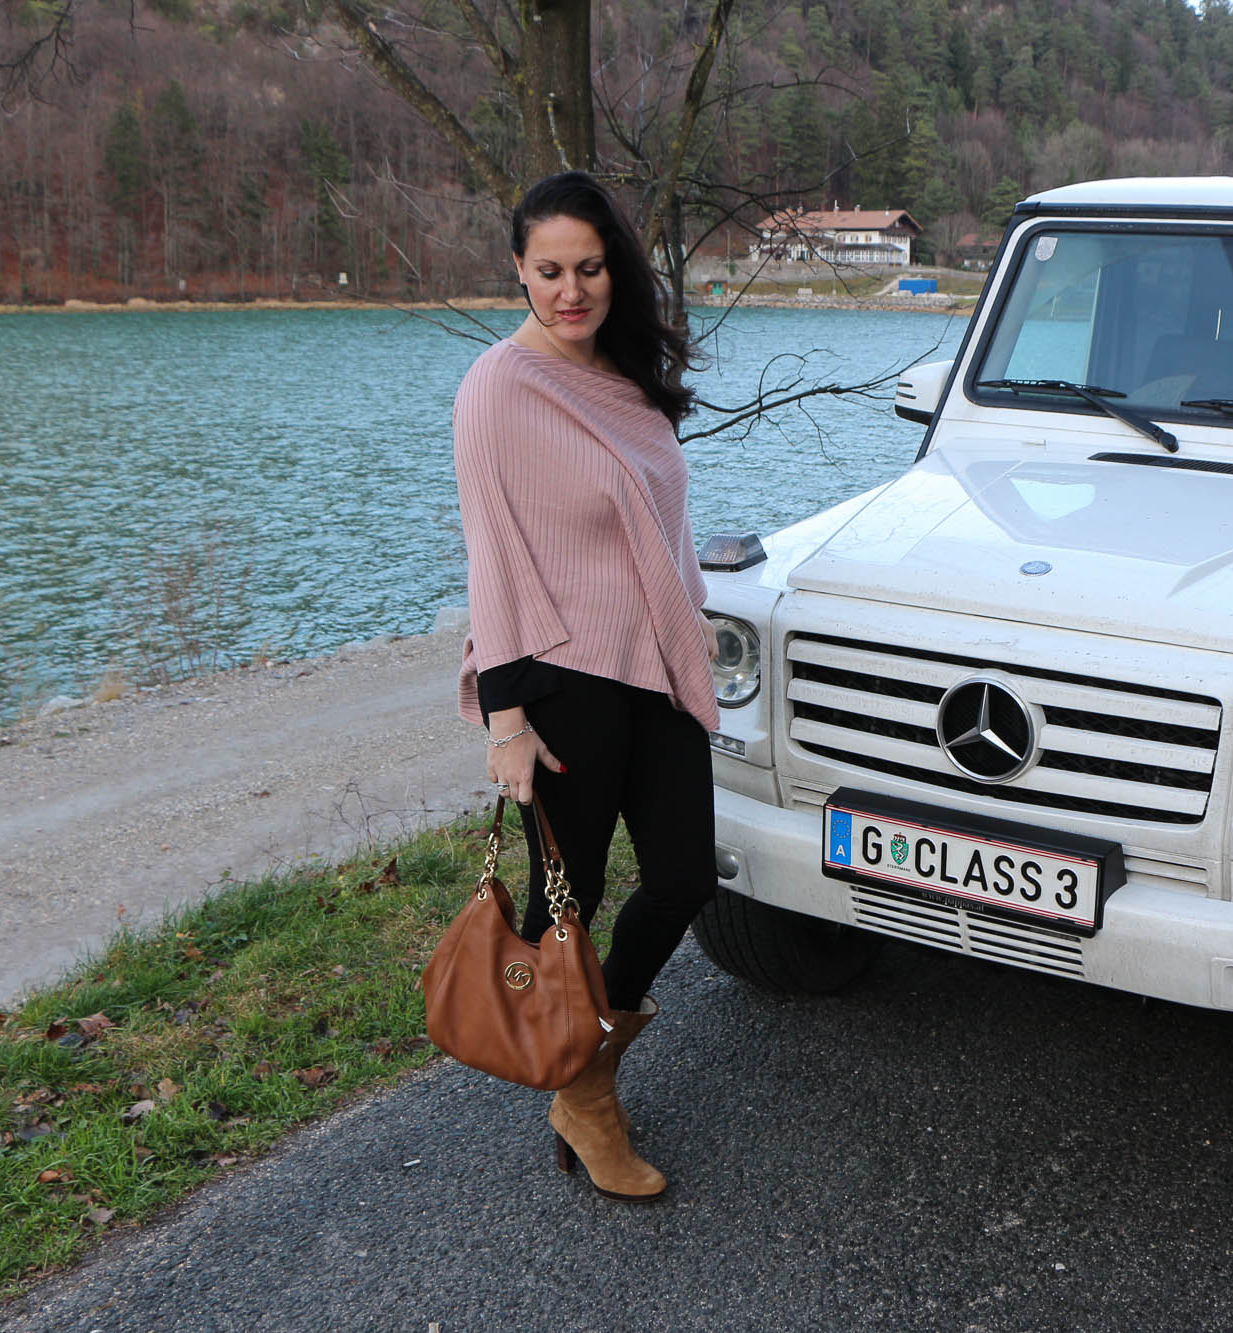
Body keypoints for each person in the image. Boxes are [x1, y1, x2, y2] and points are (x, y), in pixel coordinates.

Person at [451, 170, 720, 1204]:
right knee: (576, 898)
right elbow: (493, 557)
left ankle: (585, 1063)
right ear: (518, 270)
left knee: (686, 877)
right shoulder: (496, 389)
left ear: (616, 268)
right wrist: (504, 717)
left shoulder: (624, 372)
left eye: (590, 268)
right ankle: (586, 1095)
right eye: (550, 270)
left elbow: (661, 527)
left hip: (651, 665)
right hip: (560, 678)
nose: (572, 290)